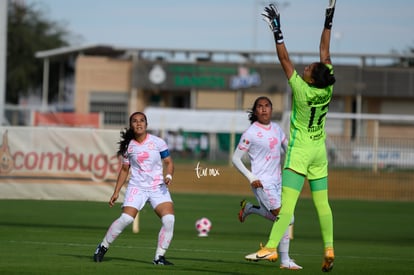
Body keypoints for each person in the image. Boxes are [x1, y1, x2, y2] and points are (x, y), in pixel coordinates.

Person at [247, 1, 337, 272]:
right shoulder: (326, 86)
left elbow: (284, 59)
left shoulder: (302, 89)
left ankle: (270, 247)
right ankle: (329, 248)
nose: (307, 66)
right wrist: (328, 19)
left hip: (300, 152)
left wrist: (277, 30)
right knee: (323, 205)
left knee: (287, 205)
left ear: (310, 79)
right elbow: (325, 50)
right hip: (319, 152)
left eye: (308, 68)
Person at [93, 111, 175, 265]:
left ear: (146, 124)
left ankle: (159, 257)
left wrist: (168, 176)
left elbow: (169, 162)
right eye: (135, 121)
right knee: (126, 219)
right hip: (137, 187)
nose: (139, 123)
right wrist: (116, 192)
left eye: (142, 120)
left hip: (157, 187)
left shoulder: (158, 142)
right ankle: (102, 246)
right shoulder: (129, 147)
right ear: (131, 125)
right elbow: (124, 170)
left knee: (169, 219)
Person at [232, 96, 302, 270]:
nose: (263, 109)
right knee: (287, 218)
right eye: (260, 106)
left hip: (280, 182)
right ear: (255, 111)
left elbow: (289, 150)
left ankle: (251, 209)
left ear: (271, 109)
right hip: (262, 184)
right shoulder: (250, 133)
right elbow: (235, 159)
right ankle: (284, 260)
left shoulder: (277, 129)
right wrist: (251, 177)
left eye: (267, 106)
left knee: (283, 219)